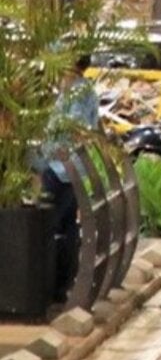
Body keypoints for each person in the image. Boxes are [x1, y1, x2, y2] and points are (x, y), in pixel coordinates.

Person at [30, 55, 99, 302]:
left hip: (60, 170)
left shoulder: (74, 93)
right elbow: (92, 127)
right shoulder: (86, 90)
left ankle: (55, 287)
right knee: (68, 226)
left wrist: (41, 158)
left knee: (54, 226)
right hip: (73, 170)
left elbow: (70, 130)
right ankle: (64, 284)